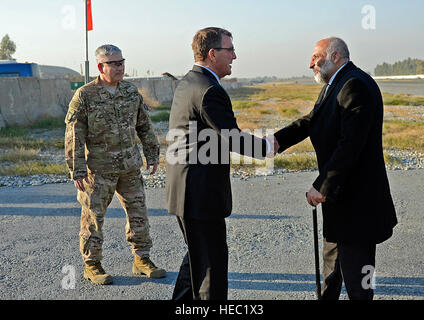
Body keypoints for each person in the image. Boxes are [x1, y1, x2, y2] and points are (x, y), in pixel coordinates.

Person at [273, 37, 398, 300]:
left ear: (336, 56)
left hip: (357, 206)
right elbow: (312, 120)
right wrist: (276, 141)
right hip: (339, 203)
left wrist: (322, 185)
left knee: (358, 284)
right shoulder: (335, 84)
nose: (310, 64)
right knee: (331, 275)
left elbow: (350, 145)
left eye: (316, 57)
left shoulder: (355, 85)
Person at [166, 27, 273, 300]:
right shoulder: (208, 89)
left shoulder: (189, 81)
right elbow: (232, 137)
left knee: (197, 260)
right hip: (200, 195)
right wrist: (268, 146)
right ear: (213, 54)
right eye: (230, 50)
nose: (235, 56)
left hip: (186, 189)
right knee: (211, 270)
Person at [65, 44, 166, 285]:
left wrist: (152, 153)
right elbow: (74, 134)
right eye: (114, 64)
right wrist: (76, 168)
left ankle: (142, 259)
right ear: (101, 67)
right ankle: (92, 265)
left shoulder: (131, 92)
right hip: (98, 170)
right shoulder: (85, 95)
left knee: (139, 213)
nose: (120, 67)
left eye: (122, 62)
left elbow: (143, 125)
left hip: (129, 166)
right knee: (93, 217)